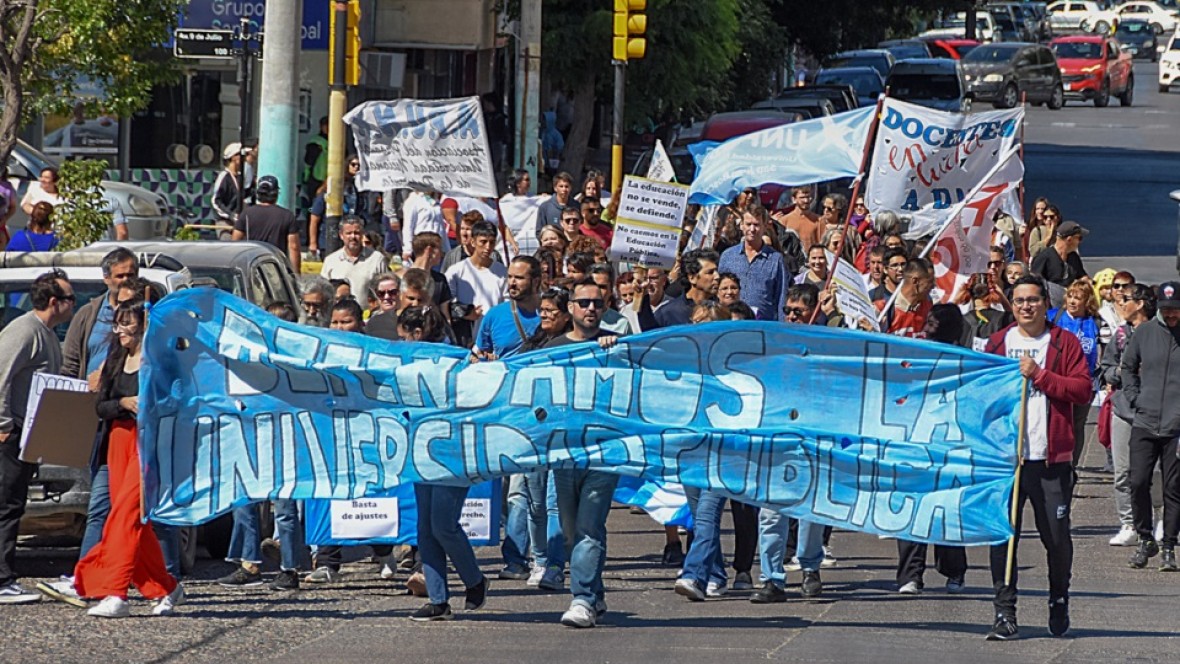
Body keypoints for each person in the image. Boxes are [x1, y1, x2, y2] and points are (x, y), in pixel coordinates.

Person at [983, 275, 1092, 640]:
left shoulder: (1064, 342)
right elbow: (981, 393)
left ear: (1046, 303)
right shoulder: (998, 343)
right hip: (1007, 462)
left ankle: (1059, 598)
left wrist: (1041, 376)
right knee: (1004, 538)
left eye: (1032, 300)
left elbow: (1081, 389)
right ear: (1011, 306)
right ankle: (1004, 611)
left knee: (1057, 538)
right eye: (1019, 301)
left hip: (1049, 461)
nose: (1026, 306)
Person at [399, 304, 491, 620]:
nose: (401, 344)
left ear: (419, 333)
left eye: (404, 337)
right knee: (425, 527)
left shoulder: (456, 360)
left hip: (453, 451)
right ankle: (438, 599)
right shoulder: (406, 362)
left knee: (443, 524)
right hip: (421, 448)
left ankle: (475, 580)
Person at [547, 279, 620, 628]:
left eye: (597, 303)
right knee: (572, 530)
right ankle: (597, 592)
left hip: (605, 453)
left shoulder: (615, 347)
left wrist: (616, 351)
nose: (591, 308)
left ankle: (583, 600)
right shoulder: (555, 348)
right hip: (564, 452)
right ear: (571, 308)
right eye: (584, 302)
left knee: (590, 526)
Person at [751, 284, 828, 605]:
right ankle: (771, 578)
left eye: (799, 311)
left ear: (812, 313)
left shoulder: (827, 348)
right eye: (788, 310)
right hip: (777, 441)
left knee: (811, 511)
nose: (791, 316)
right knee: (771, 513)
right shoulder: (774, 347)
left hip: (813, 441)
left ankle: (810, 568)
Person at [0, 270, 74, 604]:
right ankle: (2, 580)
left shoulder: (46, 333)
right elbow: (1, 376)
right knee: (6, 505)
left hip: (29, 435)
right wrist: (3, 425)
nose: (73, 305)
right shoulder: (25, 331)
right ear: (55, 302)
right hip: (10, 434)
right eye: (70, 299)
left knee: (14, 503)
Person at [895, 303, 970, 595]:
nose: (926, 329)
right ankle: (910, 575)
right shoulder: (914, 356)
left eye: (933, 324)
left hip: (949, 444)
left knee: (946, 507)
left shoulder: (965, 362)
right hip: (915, 442)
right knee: (912, 506)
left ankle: (954, 570)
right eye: (927, 323)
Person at [1120, 281, 1180, 571]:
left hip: (1176, 426)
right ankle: (1146, 539)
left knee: (1173, 487)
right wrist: (1135, 398)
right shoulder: (1144, 332)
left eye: (1176, 311)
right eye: (1167, 310)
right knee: (1138, 481)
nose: (1171, 316)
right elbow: (1128, 367)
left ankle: (1169, 544)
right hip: (1145, 421)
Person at [1100, 283, 1156, 548]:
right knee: (1123, 471)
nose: (1120, 304)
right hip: (1124, 409)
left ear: (1141, 303)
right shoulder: (1121, 334)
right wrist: (1120, 372)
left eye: (1125, 299)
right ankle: (1129, 523)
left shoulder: (1160, 332)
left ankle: (1159, 520)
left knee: (1154, 472)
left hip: (1155, 409)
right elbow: (1106, 368)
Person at [1048, 279, 1101, 467]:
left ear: (1086, 301)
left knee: (1078, 424)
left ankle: (1073, 465)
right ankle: (1054, 462)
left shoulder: (1094, 322)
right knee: (1055, 421)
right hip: (1056, 379)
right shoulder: (1053, 317)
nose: (1072, 301)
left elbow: (1103, 349)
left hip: (1084, 381)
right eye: (1070, 296)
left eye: (1077, 298)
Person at [717, 205, 788, 321]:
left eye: (756, 225)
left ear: (764, 227)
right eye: (748, 224)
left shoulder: (776, 259)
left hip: (763, 326)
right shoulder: (727, 256)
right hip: (731, 324)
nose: (752, 229)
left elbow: (781, 298)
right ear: (741, 226)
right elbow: (718, 291)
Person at [232, 175, 301, 272]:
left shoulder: (246, 214)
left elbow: (235, 242)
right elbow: (294, 247)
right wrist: (296, 275)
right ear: (276, 194)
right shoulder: (287, 216)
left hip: (253, 267)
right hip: (277, 268)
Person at [320, 216, 389, 309]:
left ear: (362, 234)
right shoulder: (330, 261)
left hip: (367, 317)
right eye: (348, 233)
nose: (353, 237)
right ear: (341, 235)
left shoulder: (377, 259)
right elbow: (323, 293)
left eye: (356, 233)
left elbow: (385, 290)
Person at [876, 258, 935, 339]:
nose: (933, 286)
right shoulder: (882, 310)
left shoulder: (929, 309)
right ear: (915, 281)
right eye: (930, 281)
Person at [1030, 221, 1088, 289]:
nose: (1080, 242)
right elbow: (1034, 283)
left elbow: (1083, 277)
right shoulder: (1043, 258)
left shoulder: (1073, 257)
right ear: (1069, 239)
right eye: (1079, 238)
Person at [401, 190, 449, 263]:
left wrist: (447, 249)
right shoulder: (413, 200)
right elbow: (408, 226)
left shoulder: (436, 200)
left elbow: (441, 225)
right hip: (421, 245)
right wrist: (407, 250)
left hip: (437, 245)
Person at [212, 143, 246, 223]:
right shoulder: (224, 176)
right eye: (241, 155)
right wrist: (229, 214)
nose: (244, 158)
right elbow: (216, 200)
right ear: (234, 157)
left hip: (238, 222)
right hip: (225, 221)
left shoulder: (240, 177)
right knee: (226, 236)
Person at [364, 273, 402, 340]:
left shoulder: (406, 319)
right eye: (381, 293)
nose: (386, 297)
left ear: (400, 293)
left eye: (392, 292)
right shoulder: (371, 321)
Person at [534, 172, 574, 236]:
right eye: (561, 186)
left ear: (570, 188)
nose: (564, 189)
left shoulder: (576, 206)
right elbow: (539, 232)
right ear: (555, 188)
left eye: (566, 186)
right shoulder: (545, 207)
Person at [302, 116, 329, 203]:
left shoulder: (339, 141)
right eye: (325, 125)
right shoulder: (315, 142)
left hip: (331, 178)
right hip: (316, 178)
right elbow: (308, 160)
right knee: (314, 204)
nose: (327, 127)